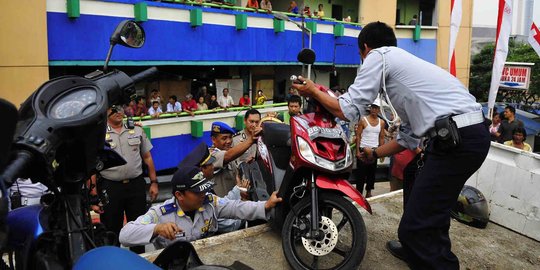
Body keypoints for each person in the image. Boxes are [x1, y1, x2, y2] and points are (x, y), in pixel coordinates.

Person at [292, 21, 490, 269]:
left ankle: (426, 250)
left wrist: (312, 90)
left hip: (458, 140)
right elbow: (408, 138)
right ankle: (414, 248)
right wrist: (374, 153)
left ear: (365, 48)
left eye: (360, 55)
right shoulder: (405, 69)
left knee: (416, 227)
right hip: (468, 136)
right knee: (415, 178)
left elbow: (348, 109)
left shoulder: (378, 56)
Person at [118, 167, 282, 249]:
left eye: (204, 189)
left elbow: (236, 207)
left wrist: (266, 205)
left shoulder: (210, 202)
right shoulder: (160, 213)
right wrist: (157, 229)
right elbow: (124, 235)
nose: (203, 194)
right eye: (197, 192)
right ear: (179, 195)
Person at [91, 105, 159, 254]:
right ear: (105, 112)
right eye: (113, 109)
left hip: (136, 186)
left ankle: (139, 261)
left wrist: (154, 182)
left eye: (120, 109)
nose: (118, 112)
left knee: (139, 228)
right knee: (111, 230)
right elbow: (93, 168)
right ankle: (114, 261)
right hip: (110, 188)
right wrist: (93, 196)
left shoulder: (137, 130)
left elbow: (147, 157)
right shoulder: (98, 135)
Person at [210, 122, 261, 197]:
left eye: (230, 137)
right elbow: (228, 156)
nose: (228, 141)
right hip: (221, 205)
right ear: (213, 139)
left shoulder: (229, 153)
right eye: (224, 138)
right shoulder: (211, 156)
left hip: (233, 203)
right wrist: (251, 140)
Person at [355, 99, 385, 198]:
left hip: (374, 149)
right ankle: (359, 193)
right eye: (372, 107)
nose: (373, 110)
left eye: (376, 108)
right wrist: (357, 151)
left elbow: (381, 137)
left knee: (372, 173)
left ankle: (369, 191)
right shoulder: (363, 120)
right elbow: (358, 136)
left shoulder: (381, 122)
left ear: (379, 110)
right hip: (364, 148)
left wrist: (382, 152)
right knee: (361, 173)